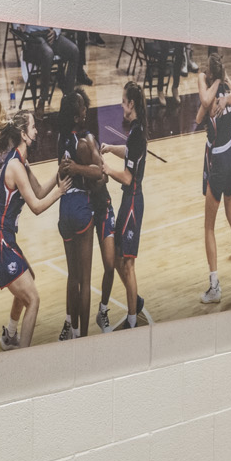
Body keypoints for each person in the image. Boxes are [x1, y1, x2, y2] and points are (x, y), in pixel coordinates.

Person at [0, 104, 68, 350]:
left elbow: (39, 191)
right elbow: (37, 206)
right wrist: (61, 192)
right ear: (23, 134)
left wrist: (58, 175)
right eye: (33, 126)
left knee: (28, 279)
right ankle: (23, 357)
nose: (37, 130)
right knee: (33, 298)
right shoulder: (16, 167)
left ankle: (9, 336)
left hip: (5, 238)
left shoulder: (22, 163)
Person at [53, 86, 110, 339]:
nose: (87, 111)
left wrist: (70, 170)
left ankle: (71, 328)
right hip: (80, 207)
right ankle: (83, 336)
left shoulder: (58, 139)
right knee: (85, 281)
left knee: (71, 276)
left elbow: (59, 175)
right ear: (77, 116)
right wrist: (79, 168)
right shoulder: (85, 142)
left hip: (63, 208)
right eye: (83, 109)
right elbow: (99, 172)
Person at [196, 51, 231, 303]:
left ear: (209, 69)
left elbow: (206, 101)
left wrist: (215, 82)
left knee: (208, 226)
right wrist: (225, 89)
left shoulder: (209, 86)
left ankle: (215, 286)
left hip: (217, 159)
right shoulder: (226, 94)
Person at [98, 82, 151, 331]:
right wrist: (110, 148)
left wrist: (107, 170)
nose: (121, 105)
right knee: (120, 260)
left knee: (127, 264)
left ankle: (132, 320)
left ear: (131, 104)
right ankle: (136, 300)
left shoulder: (138, 133)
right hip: (127, 201)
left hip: (132, 202)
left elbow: (129, 177)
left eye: (123, 101)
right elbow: (129, 152)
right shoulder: (135, 131)